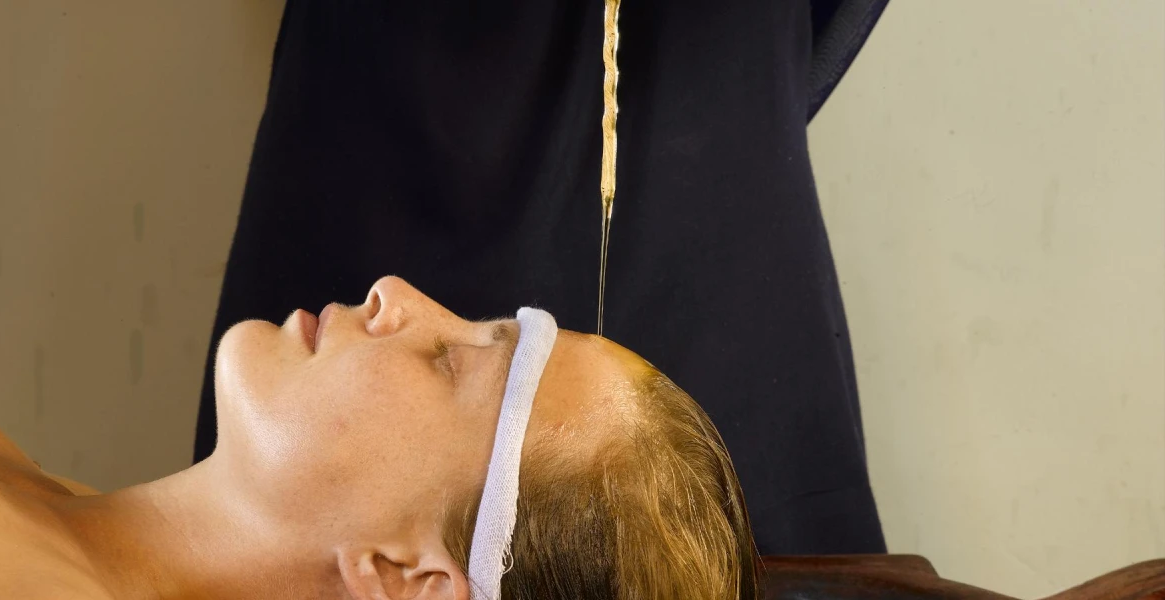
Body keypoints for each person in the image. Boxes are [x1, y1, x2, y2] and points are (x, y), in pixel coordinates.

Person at [196, 0, 889, 555]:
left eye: (450, 355)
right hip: (406, 108)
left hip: (701, 112)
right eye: (452, 353)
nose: (392, 295)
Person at [0, 277, 758, 599]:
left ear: (403, 575)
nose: (397, 297)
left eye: (448, 364)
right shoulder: (53, 516)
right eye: (471, 323)